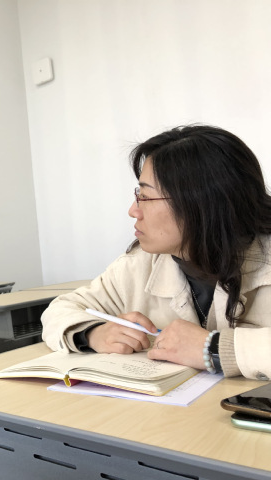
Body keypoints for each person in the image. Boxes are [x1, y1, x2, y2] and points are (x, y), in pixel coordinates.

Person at [41, 125, 271, 381]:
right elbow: (60, 309)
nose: (133, 210)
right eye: (137, 194)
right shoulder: (139, 265)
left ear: (201, 203)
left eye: (146, 197)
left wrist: (215, 348)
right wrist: (93, 333)